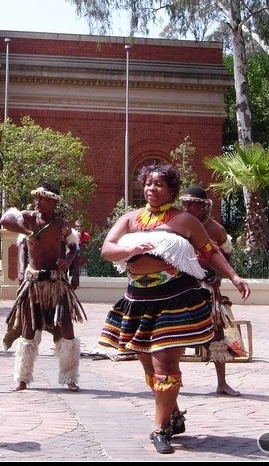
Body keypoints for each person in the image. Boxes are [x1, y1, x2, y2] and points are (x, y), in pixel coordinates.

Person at [99, 164, 250, 454]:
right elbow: (107, 249)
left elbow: (210, 251)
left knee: (164, 365)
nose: (151, 189)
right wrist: (130, 250)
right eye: (148, 183)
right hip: (138, 300)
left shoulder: (184, 220)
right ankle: (173, 414)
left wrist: (234, 276)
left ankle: (160, 429)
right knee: (147, 363)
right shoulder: (130, 219)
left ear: (171, 190)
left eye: (159, 184)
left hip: (174, 299)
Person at [0, 182, 87, 392]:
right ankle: (22, 378)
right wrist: (27, 232)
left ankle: (70, 377)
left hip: (57, 283)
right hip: (35, 284)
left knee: (67, 329)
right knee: (28, 331)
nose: (38, 202)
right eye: (36, 197)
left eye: (43, 198)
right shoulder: (29, 218)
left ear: (54, 201)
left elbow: (74, 247)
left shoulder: (61, 225)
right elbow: (5, 219)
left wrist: (69, 263)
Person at [180, 185, 241, 396]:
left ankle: (222, 382)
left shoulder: (216, 230)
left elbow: (226, 258)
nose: (188, 208)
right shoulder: (177, 225)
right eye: (185, 203)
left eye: (194, 205)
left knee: (217, 334)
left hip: (207, 286)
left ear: (205, 207)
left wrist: (221, 276)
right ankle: (170, 381)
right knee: (174, 331)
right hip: (180, 286)